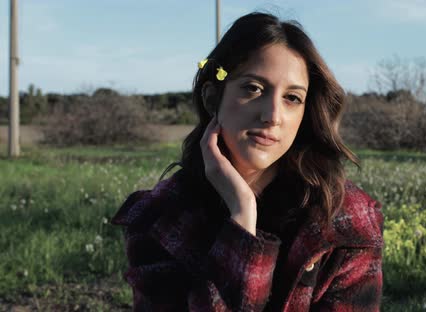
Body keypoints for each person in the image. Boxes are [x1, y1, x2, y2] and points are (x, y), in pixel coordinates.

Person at [111, 12, 384, 311]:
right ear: (213, 98)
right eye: (253, 88)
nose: (272, 115)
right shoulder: (162, 219)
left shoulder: (344, 220)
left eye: (292, 98)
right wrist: (242, 218)